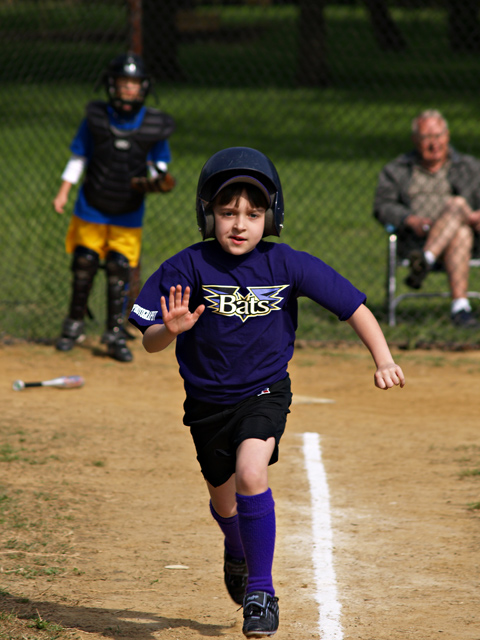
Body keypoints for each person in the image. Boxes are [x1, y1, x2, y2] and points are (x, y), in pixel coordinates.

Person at [129, 147, 405, 637]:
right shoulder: (187, 267)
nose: (239, 224)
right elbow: (149, 341)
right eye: (227, 212)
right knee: (224, 500)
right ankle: (236, 549)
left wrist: (383, 358)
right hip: (207, 404)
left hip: (264, 392)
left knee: (251, 472)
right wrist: (169, 330)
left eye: (253, 214)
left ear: (271, 217)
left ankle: (261, 592)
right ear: (206, 214)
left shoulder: (286, 264)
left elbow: (354, 307)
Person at [53, 53, 176, 362]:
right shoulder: (95, 118)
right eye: (123, 84)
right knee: (84, 263)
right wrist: (63, 192)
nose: (128, 90)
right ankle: (73, 325)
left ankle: (113, 333)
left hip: (127, 210)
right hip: (90, 206)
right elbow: (79, 156)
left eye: (134, 85)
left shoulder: (154, 124)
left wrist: (155, 177)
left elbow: (158, 162)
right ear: (111, 85)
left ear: (144, 88)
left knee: (119, 269)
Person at [373, 109, 480, 328]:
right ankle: (460, 308)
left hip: (466, 241)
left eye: (438, 136)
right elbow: (382, 206)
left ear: (448, 136)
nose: (434, 143)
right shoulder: (398, 170)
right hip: (415, 239)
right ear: (415, 140)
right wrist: (409, 220)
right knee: (459, 217)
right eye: (426, 138)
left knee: (457, 208)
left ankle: (426, 261)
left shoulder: (470, 168)